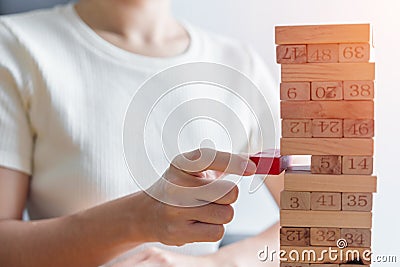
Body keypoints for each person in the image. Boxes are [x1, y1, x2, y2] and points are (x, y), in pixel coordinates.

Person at [0, 0, 280, 266]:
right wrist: (140, 219)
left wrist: (218, 263)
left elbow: (321, 224)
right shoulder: (15, 45)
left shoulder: (240, 64)